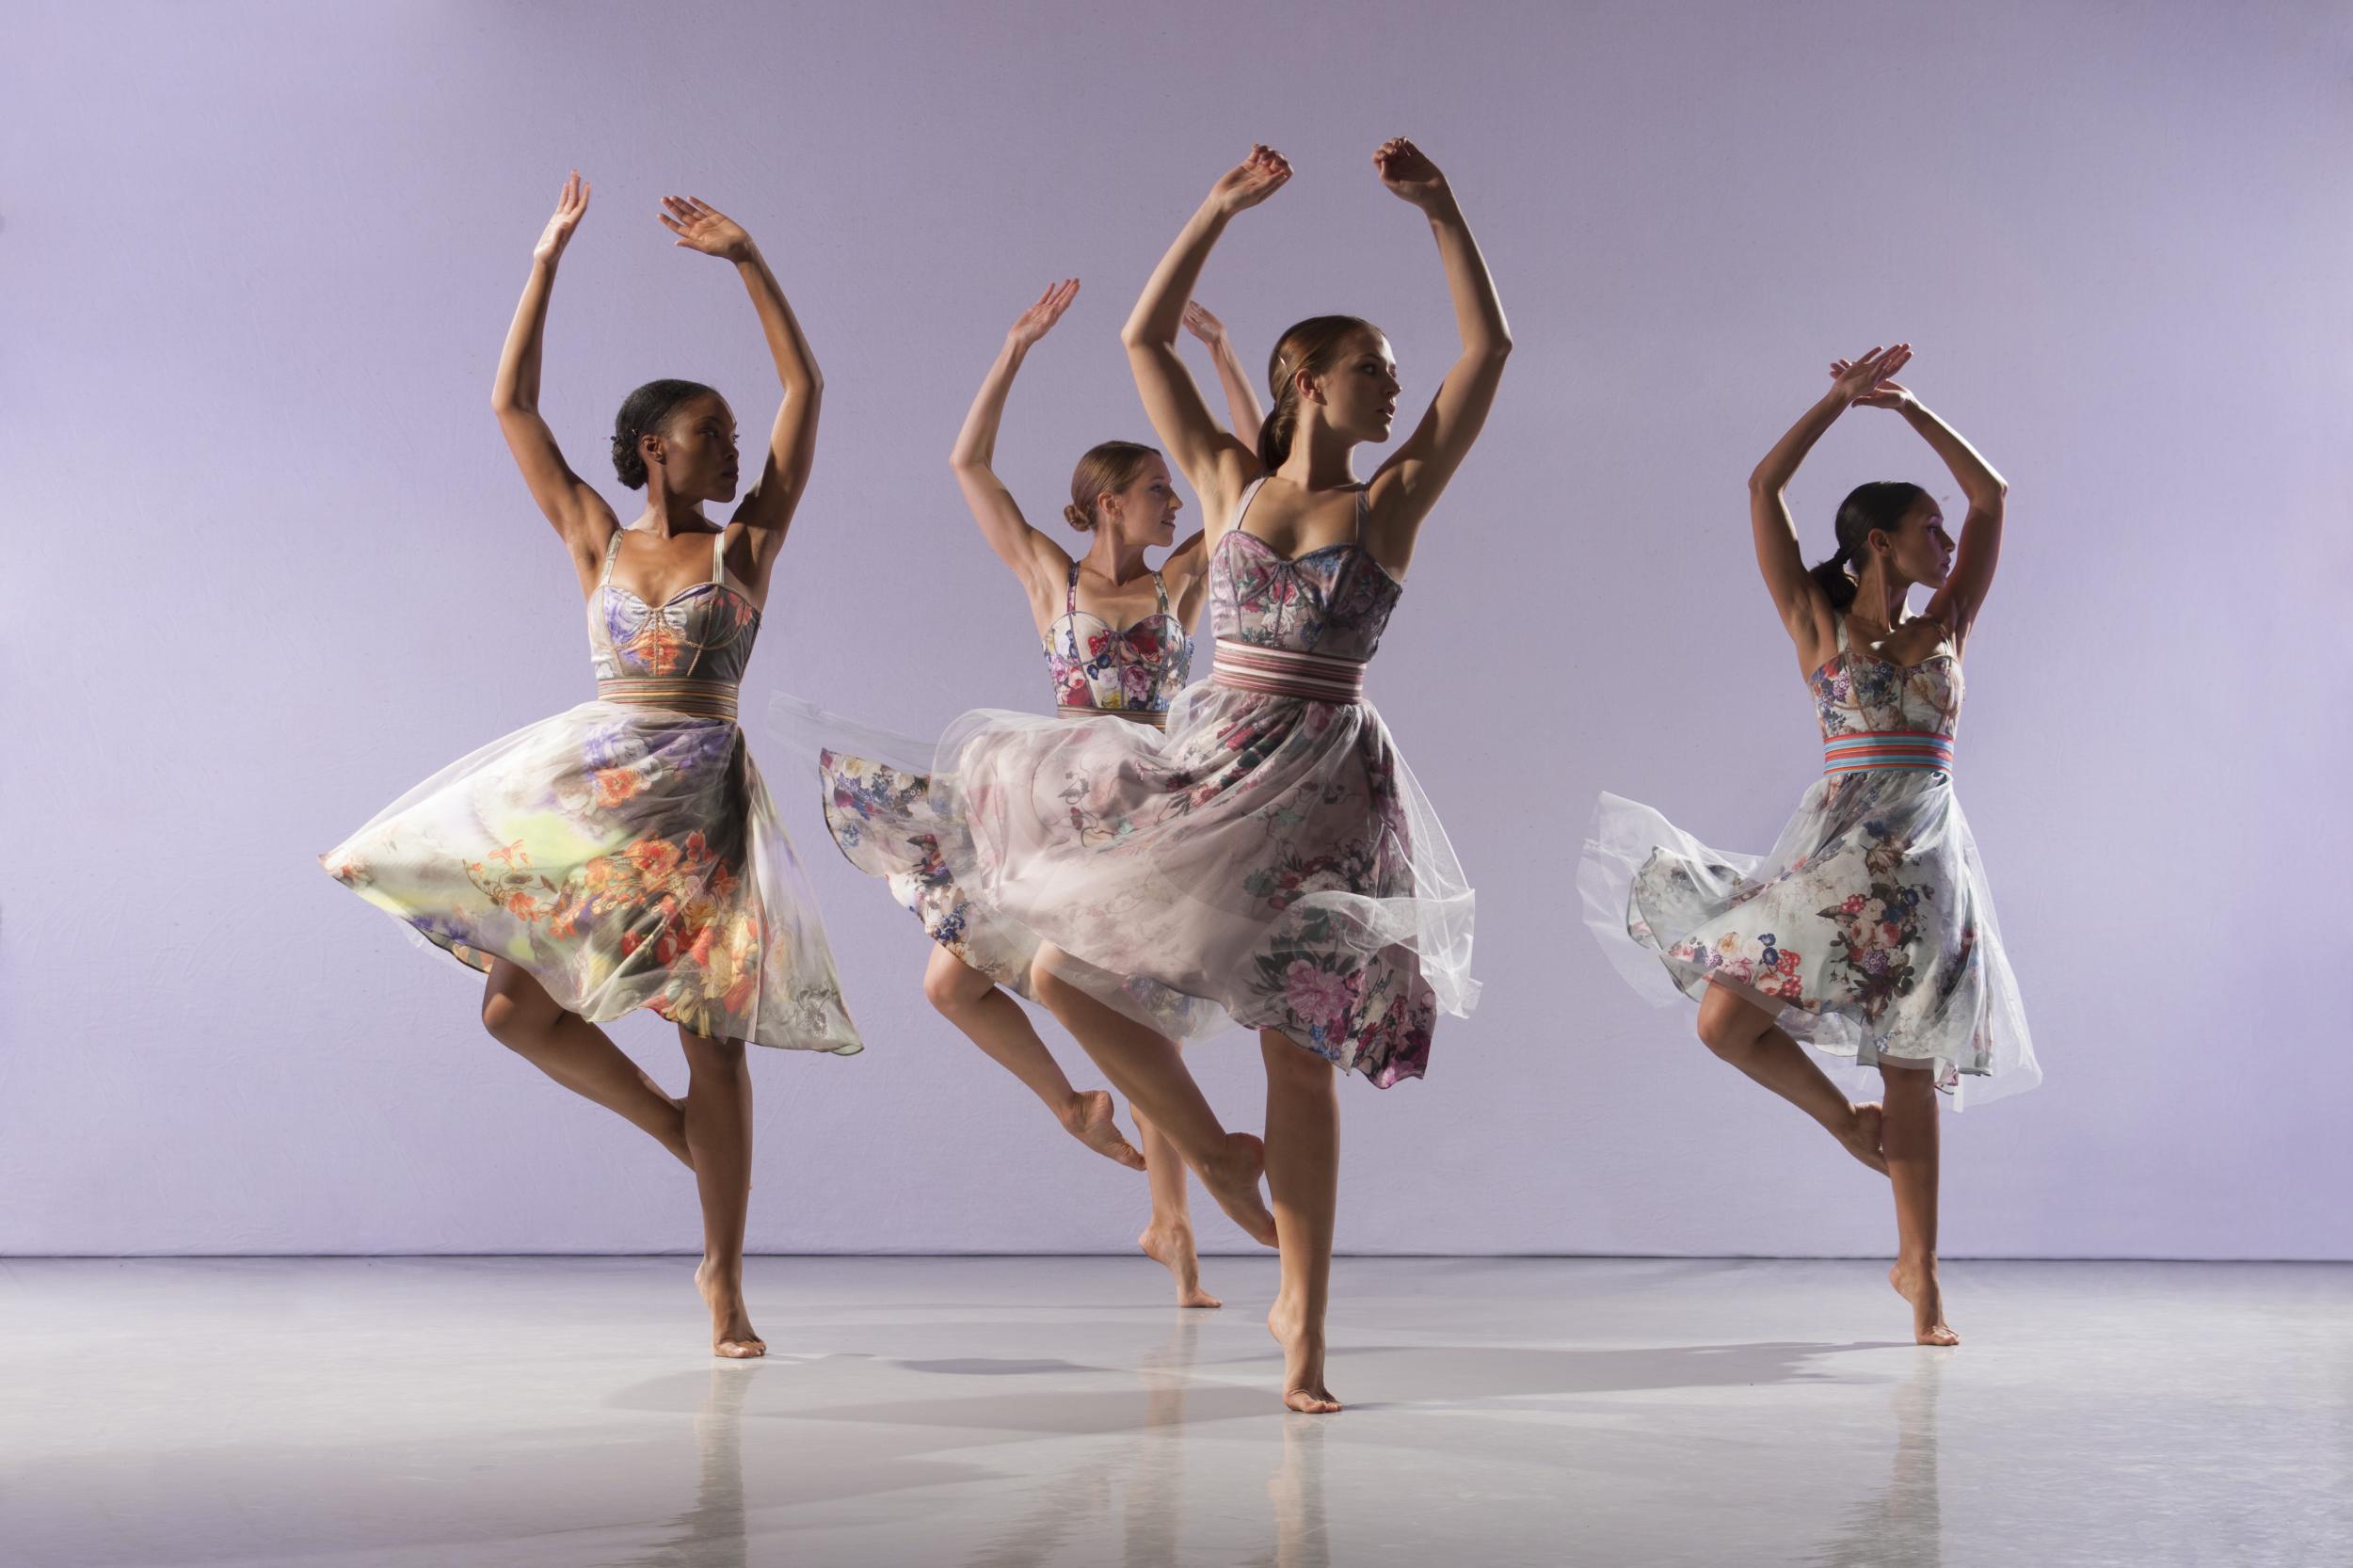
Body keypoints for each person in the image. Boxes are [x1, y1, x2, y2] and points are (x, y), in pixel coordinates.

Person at [910, 139, 1508, 1412]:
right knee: (1067, 966)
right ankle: (1221, 1170)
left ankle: (1305, 1332)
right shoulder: (1226, 483)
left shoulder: (1391, 502)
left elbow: (1488, 356)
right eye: (1369, 372)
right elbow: (1142, 337)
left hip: (1325, 782)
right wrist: (1218, 207)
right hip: (1211, 759)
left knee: (1300, 1055)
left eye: (1396, 377)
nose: (1392, 392)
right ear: (1303, 380)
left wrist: (1445, 210)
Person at [322, 174, 860, 1359]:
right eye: (709, 432)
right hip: (597, 789)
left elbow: (805, 391)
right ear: (653, 447)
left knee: (710, 1030)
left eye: (730, 430)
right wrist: (545, 262)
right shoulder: (593, 534)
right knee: (512, 1008)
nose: (729, 445)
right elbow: (512, 403)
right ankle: (677, 1134)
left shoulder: (747, 540)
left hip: (700, 804)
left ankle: (721, 1276)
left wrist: (750, 257)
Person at [804, 280, 1263, 1308]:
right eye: (1155, 490)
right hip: (1049, 803)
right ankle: (1078, 1118)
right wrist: (1011, 349)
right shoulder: (1051, 578)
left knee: (1128, 1007)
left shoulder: (1178, 581)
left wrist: (1227, 360)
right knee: (952, 985)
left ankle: (1173, 1230)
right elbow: (968, 466)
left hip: (1144, 801)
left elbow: (1250, 477)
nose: (1172, 503)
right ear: (1108, 504)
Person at [1580, 344, 2040, 1347]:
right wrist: (1834, 403)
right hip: (1834, 857)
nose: (1943, 543)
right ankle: (1846, 1128)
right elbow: (1763, 484)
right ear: (1877, 543)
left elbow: (1991, 496)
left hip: (1925, 865)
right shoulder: (1816, 623)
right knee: (1721, 1021)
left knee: (1911, 1060)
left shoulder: (1950, 622)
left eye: (1941, 530)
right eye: (1925, 531)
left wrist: (1909, 406)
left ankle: (1919, 1274)